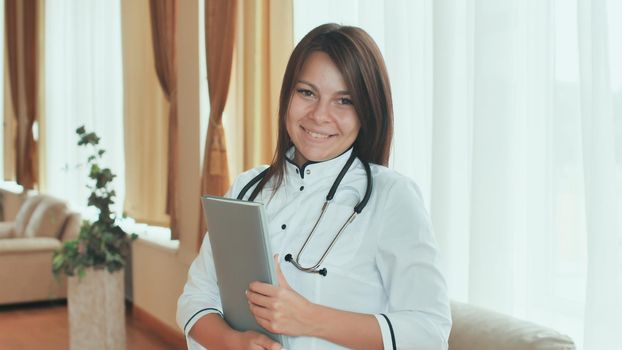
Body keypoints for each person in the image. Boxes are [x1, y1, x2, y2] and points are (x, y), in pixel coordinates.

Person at [177, 23, 452, 350]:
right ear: (287, 96)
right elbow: (196, 297)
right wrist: (234, 342)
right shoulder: (246, 188)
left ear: (367, 111)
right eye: (307, 92)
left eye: (344, 101)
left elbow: (430, 332)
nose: (320, 115)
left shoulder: (391, 197)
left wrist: (307, 317)